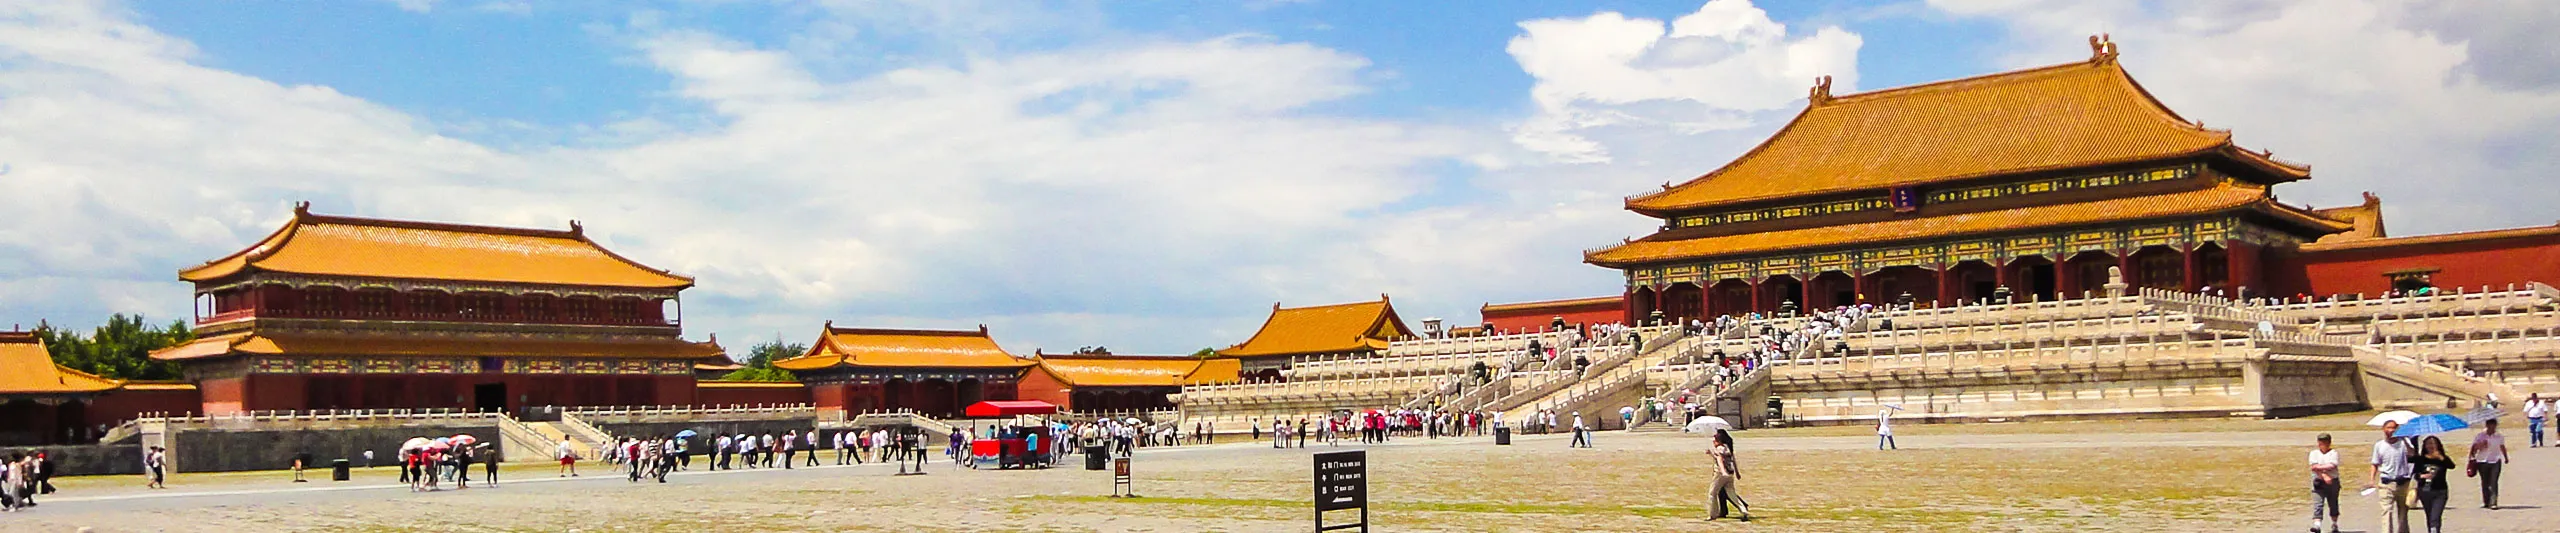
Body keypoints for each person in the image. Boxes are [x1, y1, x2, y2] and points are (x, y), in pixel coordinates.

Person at [2369, 420, 2412, 533]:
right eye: (2388, 428)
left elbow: (2413, 454)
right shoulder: (2379, 445)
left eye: (2394, 428)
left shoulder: (2404, 443)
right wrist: (2372, 480)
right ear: (2383, 429)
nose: (2391, 430)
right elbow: (2375, 463)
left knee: (2403, 511)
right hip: (2386, 482)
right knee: (2386, 511)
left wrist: (2405, 440)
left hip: (2402, 482)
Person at [2411, 436, 2455, 533]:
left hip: (2440, 491)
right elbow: (2415, 474)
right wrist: (2422, 476)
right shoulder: (2420, 459)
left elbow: (2451, 466)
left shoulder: (2442, 458)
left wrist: (2441, 457)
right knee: (2430, 516)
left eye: (2434, 443)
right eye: (2428, 444)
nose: (2431, 446)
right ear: (2425, 446)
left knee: (2435, 516)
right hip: (2425, 491)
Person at [1707, 429, 1749, 521]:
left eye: (1714, 440)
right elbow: (1732, 460)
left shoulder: (1718, 449)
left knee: (1712, 493)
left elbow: (1720, 460)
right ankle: (1743, 510)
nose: (1713, 442)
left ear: (1718, 441)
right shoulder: (1727, 447)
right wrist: (1737, 472)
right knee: (1731, 493)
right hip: (1730, 473)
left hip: (1720, 474)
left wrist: (1723, 471)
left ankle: (1712, 514)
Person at [2470, 418, 2507, 509]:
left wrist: (2506, 457)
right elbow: (2474, 449)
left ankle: (2493, 502)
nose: (2492, 428)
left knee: (2494, 481)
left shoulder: (2499, 436)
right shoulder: (2480, 436)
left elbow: (2502, 446)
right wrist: (2481, 445)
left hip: (2495, 460)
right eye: (2490, 426)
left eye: (2493, 426)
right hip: (2482, 461)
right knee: (2485, 482)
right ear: (2486, 426)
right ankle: (2486, 501)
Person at [2310, 433, 2341, 533]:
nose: (2323, 444)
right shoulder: (2314, 453)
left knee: (2333, 503)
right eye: (2321, 442)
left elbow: (2332, 465)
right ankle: (2317, 525)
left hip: (2333, 481)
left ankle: (2334, 524)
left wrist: (2320, 468)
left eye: (2325, 442)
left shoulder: (2333, 453)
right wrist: (2324, 475)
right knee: (2318, 503)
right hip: (2318, 481)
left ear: (2329, 443)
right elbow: (2313, 467)